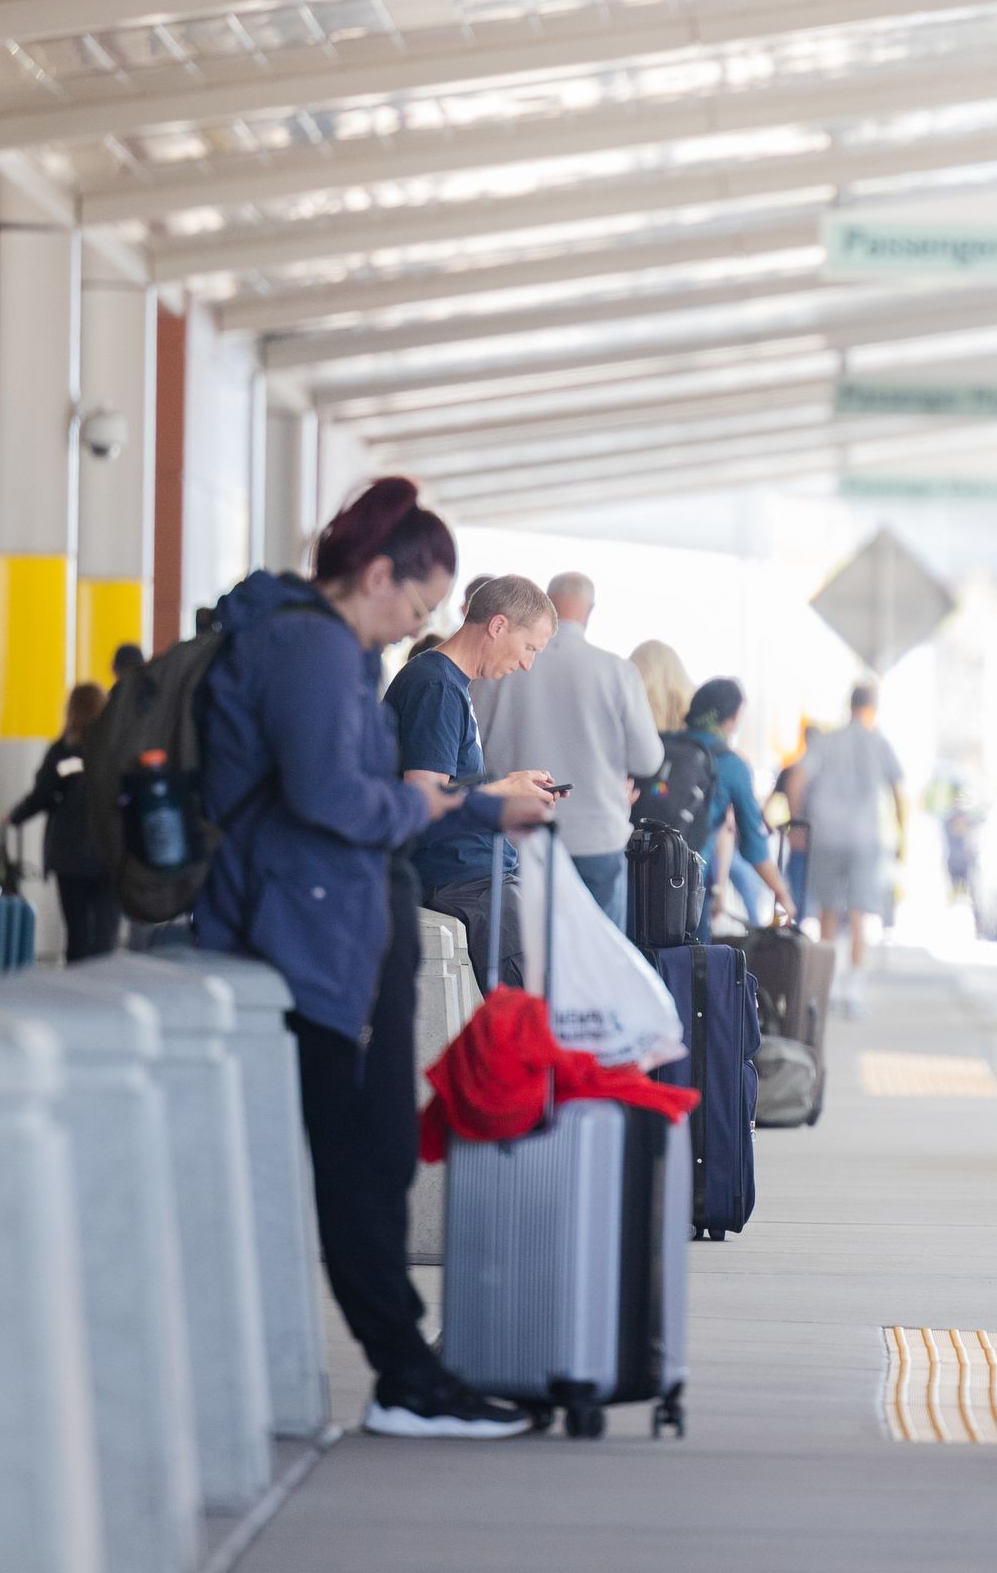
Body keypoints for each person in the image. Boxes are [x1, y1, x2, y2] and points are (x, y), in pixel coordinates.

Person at [191, 476, 556, 1441]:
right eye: (420, 603)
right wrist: (475, 805)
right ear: (380, 572)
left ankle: (406, 1369)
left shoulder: (333, 648)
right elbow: (335, 800)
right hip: (305, 936)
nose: (420, 625)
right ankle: (405, 1374)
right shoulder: (309, 647)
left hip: (332, 927)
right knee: (361, 1159)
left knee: (374, 1154)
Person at [462, 572, 661, 931]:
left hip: (519, 836)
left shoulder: (506, 659)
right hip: (596, 835)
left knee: (527, 961)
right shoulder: (617, 670)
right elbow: (649, 759)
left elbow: (473, 741)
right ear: (590, 610)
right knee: (597, 963)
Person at [387, 573, 559, 983]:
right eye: (528, 647)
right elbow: (422, 797)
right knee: (533, 1015)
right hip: (463, 883)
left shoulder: (450, 685)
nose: (527, 664)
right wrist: (505, 789)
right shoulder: (437, 687)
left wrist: (509, 793)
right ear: (498, 626)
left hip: (479, 878)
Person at [795, 682, 906, 1010]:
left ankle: (824, 986)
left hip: (826, 834)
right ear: (872, 707)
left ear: (849, 704)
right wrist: (901, 836)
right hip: (865, 838)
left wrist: (798, 821)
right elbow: (898, 792)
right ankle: (854, 990)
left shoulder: (827, 741)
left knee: (827, 910)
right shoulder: (880, 742)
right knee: (859, 913)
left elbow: (797, 779)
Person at [667, 679, 794, 935]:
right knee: (691, 967)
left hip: (640, 872)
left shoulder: (664, 744)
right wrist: (782, 893)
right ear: (734, 717)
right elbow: (753, 846)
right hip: (689, 885)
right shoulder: (732, 764)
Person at [9, 682, 116, 962]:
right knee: (105, 934)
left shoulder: (63, 752)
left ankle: (78, 994)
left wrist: (14, 816)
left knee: (77, 935)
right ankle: (106, 993)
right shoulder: (117, 749)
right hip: (110, 853)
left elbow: (43, 794)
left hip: (71, 856)